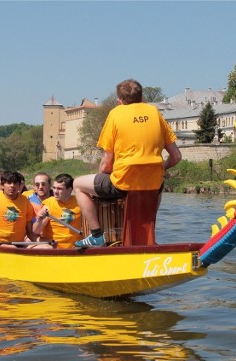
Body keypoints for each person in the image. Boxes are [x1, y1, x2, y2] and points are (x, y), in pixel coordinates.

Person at [72, 79, 182, 247]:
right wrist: (162, 168)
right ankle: (148, 238)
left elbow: (107, 163)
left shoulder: (116, 114)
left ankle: (96, 235)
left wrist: (103, 174)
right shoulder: (154, 112)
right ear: (142, 97)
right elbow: (176, 156)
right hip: (153, 184)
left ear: (119, 100)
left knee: (78, 184)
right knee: (157, 185)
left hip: (124, 183)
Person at [32, 173, 82, 249]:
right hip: (55, 248)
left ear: (70, 190)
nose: (55, 191)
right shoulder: (49, 203)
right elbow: (36, 231)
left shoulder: (79, 202)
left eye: (59, 189)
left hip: (75, 247)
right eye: (54, 188)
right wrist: (39, 220)